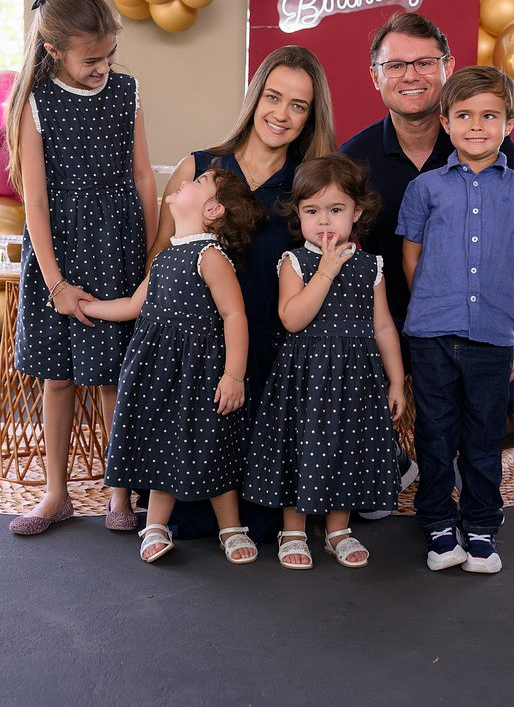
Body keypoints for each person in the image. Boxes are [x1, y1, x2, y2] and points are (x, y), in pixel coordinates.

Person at [342, 12, 514, 462]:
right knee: (362, 434)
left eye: (424, 62)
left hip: (482, 327)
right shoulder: (353, 159)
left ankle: (465, 447)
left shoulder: (490, 143)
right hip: (392, 328)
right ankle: (412, 450)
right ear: (375, 76)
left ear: (448, 67)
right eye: (395, 65)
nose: (411, 76)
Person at [147, 46, 336, 540]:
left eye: (298, 105)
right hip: (194, 356)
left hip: (273, 357)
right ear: (255, 98)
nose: (282, 114)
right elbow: (161, 261)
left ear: (310, 117)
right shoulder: (198, 168)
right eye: (273, 97)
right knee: (185, 505)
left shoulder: (308, 187)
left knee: (265, 516)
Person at [6, 0, 157, 536]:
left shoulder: (126, 91)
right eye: (91, 60)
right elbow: (36, 201)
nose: (103, 67)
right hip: (61, 254)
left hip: (117, 246)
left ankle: (119, 491)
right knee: (59, 379)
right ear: (53, 51)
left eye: (109, 55)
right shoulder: (36, 103)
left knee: (116, 375)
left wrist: (151, 257)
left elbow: (143, 176)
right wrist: (55, 284)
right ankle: (56, 492)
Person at [397, 66, 514, 573]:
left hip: (492, 336)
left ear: (510, 123)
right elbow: (412, 255)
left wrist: (512, 323)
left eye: (490, 116)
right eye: (464, 116)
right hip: (431, 334)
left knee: (483, 437)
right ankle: (439, 524)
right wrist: (431, 303)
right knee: (436, 435)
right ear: (445, 122)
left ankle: (482, 526)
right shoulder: (425, 188)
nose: (477, 126)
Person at [80, 168, 264, 564]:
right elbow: (133, 306)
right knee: (161, 448)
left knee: (214, 446)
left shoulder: (210, 256)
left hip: (202, 374)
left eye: (198, 183)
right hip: (159, 374)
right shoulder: (164, 258)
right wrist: (85, 306)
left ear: (213, 210)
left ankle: (230, 527)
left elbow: (234, 315)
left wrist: (234, 375)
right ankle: (155, 526)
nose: (186, 182)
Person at [243, 154, 405, 569]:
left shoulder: (370, 266)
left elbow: (383, 326)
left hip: (356, 379)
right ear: (298, 214)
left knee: (348, 449)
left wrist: (396, 380)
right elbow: (292, 318)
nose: (324, 221)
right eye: (312, 211)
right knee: (300, 447)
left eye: (336, 210)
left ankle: (337, 531)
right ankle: (293, 530)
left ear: (357, 212)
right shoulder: (295, 262)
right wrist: (326, 271)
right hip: (307, 378)